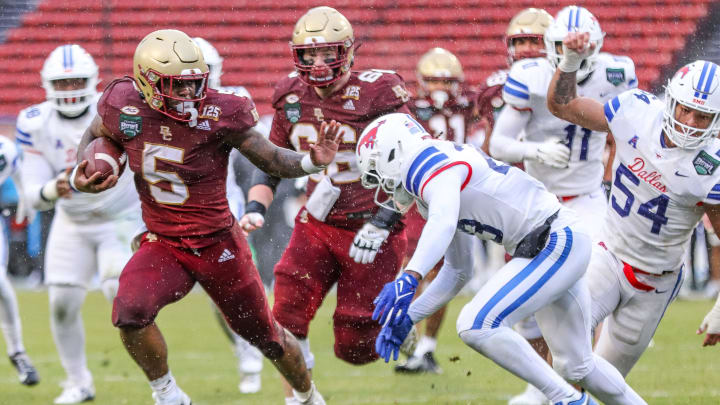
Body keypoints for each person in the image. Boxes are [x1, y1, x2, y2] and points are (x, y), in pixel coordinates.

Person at [71, 29, 338, 405]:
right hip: (164, 242)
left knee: (267, 336)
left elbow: (271, 158)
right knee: (129, 311)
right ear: (147, 83)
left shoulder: (222, 110)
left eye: (194, 84)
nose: (188, 95)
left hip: (218, 244)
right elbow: (97, 134)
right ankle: (168, 394)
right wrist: (82, 173)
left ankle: (308, 397)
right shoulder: (123, 104)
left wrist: (310, 161)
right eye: (176, 87)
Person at [360, 112, 646, 405]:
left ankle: (567, 400)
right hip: (556, 240)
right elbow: (457, 272)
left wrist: (411, 275)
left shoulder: (424, 162)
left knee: (476, 323)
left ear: (394, 152)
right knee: (577, 365)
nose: (382, 186)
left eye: (376, 172)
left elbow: (443, 222)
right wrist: (409, 317)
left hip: (553, 240)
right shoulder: (434, 174)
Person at [239, 7, 412, 404]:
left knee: (355, 348)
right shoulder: (290, 97)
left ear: (349, 52)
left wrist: (386, 219)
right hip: (317, 221)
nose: (317, 64)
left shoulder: (378, 93)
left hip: (373, 226)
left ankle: (401, 320)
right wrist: (256, 207)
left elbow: (414, 164)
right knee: (285, 310)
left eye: (327, 53)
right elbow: (272, 162)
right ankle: (300, 398)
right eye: (309, 55)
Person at [547, 29, 720, 376]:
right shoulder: (635, 111)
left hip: (654, 282)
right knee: (566, 361)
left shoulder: (711, 167)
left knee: (605, 380)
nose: (688, 123)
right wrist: (569, 61)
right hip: (607, 255)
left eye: (701, 116)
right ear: (671, 100)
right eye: (685, 110)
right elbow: (562, 106)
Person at [491, 6, 637, 404]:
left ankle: (573, 385)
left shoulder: (616, 73)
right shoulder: (530, 77)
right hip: (532, 205)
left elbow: (630, 131)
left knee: (581, 292)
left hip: (587, 199)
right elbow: (498, 145)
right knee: (527, 309)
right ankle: (543, 386)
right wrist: (534, 147)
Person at [16, 44, 142, 404]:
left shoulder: (115, 113)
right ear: (47, 85)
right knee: (61, 302)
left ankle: (158, 379)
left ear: (91, 82)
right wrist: (60, 185)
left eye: (76, 82)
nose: (70, 89)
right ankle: (78, 382)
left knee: (118, 293)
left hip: (119, 217)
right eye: (62, 82)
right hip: (72, 222)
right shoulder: (35, 123)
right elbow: (33, 194)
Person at [395, 47, 478, 374]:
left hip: (455, 196)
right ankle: (413, 341)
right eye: (433, 80)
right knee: (414, 270)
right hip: (421, 198)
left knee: (436, 274)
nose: (440, 87)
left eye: (446, 80)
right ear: (421, 82)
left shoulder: (468, 104)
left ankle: (423, 347)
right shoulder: (411, 109)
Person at [193, 36, 266, 395]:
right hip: (171, 213)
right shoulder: (155, 108)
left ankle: (251, 348)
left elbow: (260, 159)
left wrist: (253, 204)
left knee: (226, 292)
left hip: (222, 208)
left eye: (204, 73)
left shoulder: (232, 102)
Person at [0, 135, 38, 387]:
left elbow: (17, 170)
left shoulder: (5, 150)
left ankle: (17, 352)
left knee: (1, 286)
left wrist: (26, 197)